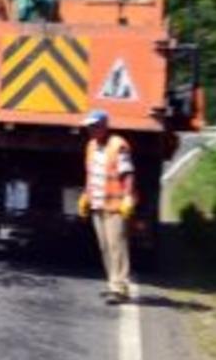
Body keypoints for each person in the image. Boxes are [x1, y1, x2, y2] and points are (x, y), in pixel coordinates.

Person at [77, 110, 136, 305]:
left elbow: (127, 174)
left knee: (116, 246)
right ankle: (113, 284)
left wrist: (128, 197)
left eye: (94, 126)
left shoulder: (118, 145)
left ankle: (120, 288)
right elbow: (91, 173)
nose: (91, 130)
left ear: (104, 126)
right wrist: (86, 195)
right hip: (98, 204)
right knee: (104, 247)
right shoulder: (91, 146)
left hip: (116, 206)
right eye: (89, 127)